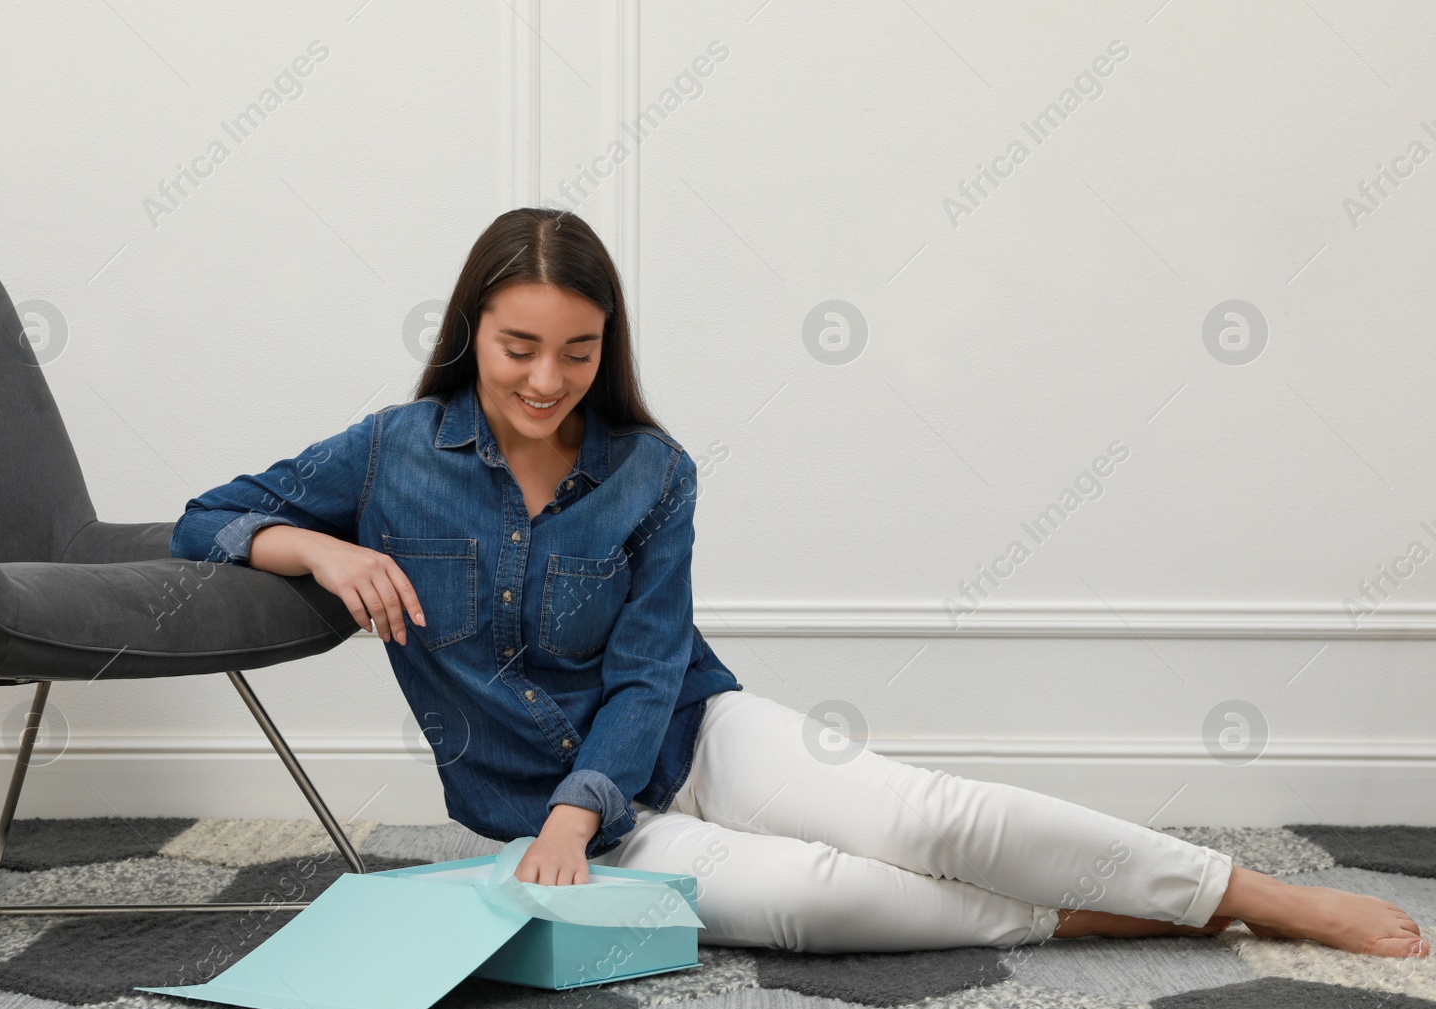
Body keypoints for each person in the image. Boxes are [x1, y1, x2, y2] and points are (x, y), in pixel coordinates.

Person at [170, 207, 1428, 959]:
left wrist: (575, 810)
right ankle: (1086, 923)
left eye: (576, 350)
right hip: (561, 817)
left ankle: (1263, 894)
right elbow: (206, 519)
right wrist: (324, 550)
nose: (545, 379)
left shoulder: (652, 470)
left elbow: (652, 664)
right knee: (815, 905)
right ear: (468, 336)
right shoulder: (391, 454)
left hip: (692, 734)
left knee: (927, 814)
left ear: (607, 349)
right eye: (516, 348)